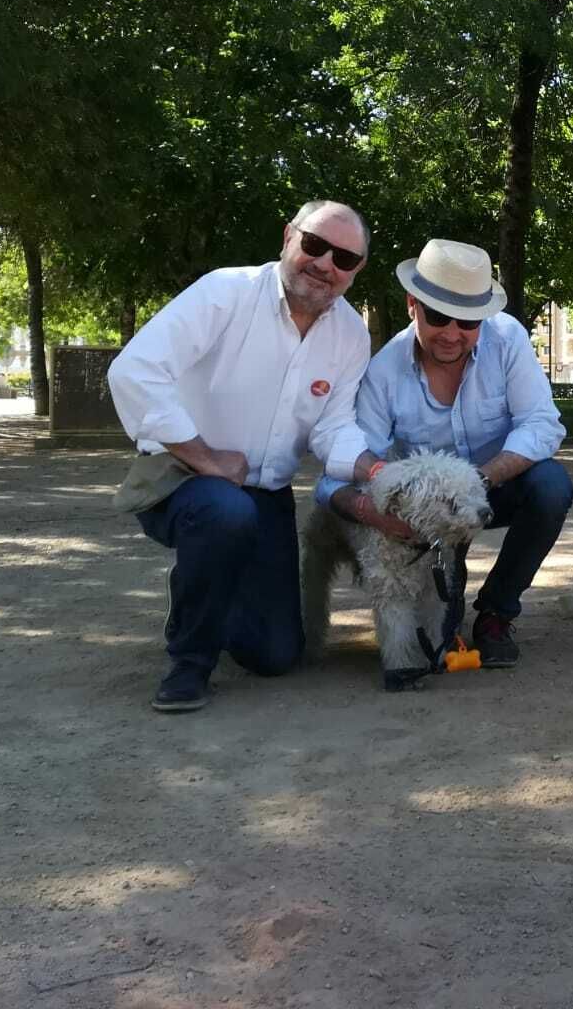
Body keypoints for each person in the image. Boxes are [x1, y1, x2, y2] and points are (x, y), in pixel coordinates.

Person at [109, 199, 382, 714]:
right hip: (179, 479)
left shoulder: (351, 335)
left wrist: (376, 469)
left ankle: (211, 583)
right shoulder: (224, 291)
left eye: (344, 259)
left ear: (356, 271)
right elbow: (133, 372)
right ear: (288, 237)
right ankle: (189, 662)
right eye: (315, 245)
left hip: (267, 496)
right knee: (223, 512)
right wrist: (205, 457)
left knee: (276, 656)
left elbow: (334, 426)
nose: (326, 265)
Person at [315, 239, 572, 668]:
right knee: (433, 644)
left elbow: (542, 424)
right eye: (438, 316)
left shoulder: (508, 339)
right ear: (412, 304)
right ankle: (447, 589)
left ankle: (496, 611)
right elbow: (343, 471)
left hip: (493, 486)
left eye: (469, 321)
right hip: (427, 511)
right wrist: (373, 511)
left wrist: (478, 482)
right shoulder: (383, 372)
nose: (453, 333)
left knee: (551, 486)